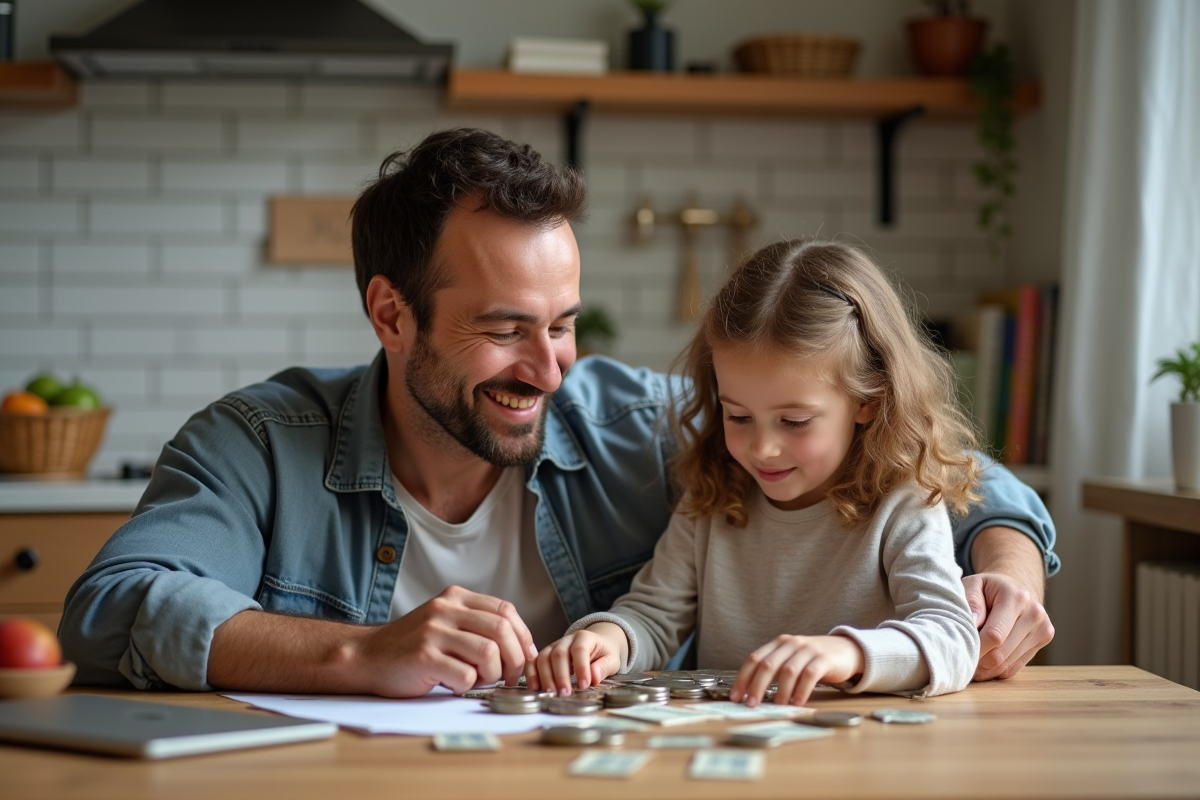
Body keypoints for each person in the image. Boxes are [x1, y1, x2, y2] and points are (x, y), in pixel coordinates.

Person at [59, 128, 1057, 696]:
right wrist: (360, 650)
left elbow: (919, 462)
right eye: (506, 329)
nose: (550, 367)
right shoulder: (260, 441)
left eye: (565, 323)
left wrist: (1005, 573)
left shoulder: (633, 420)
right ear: (391, 312)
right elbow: (112, 606)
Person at [528, 239, 982, 705]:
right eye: (738, 417)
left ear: (869, 400)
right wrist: (607, 640)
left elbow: (951, 637)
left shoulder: (903, 505)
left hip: (859, 760)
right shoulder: (713, 496)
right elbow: (653, 616)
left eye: (795, 421)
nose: (763, 448)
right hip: (729, 754)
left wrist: (848, 653)